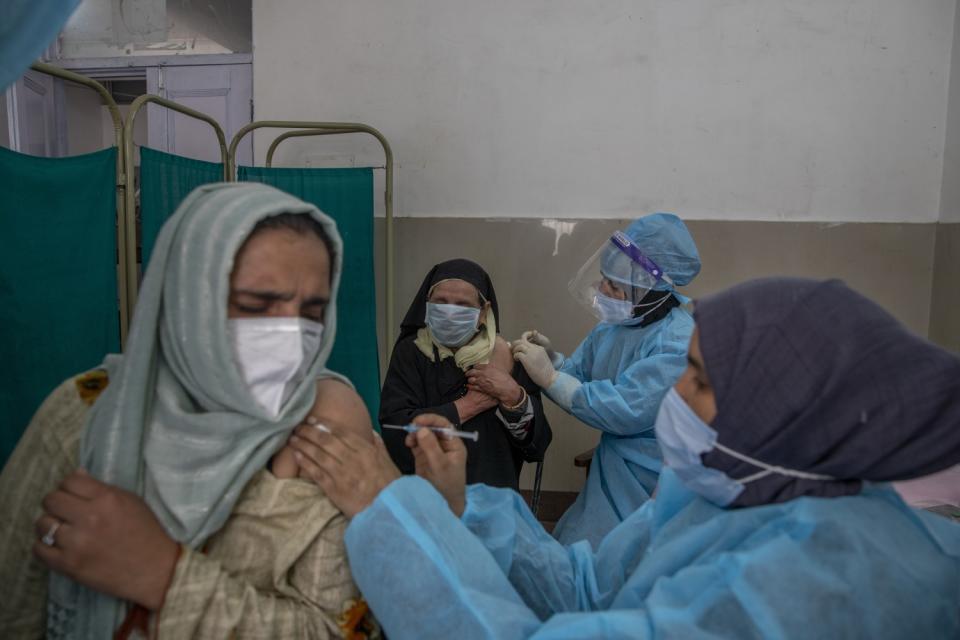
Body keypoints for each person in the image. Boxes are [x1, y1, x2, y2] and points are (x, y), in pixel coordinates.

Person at [289, 277, 960, 639]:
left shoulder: (819, 586)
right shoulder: (718, 494)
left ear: (780, 410)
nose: (674, 391)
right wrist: (461, 510)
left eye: (696, 376)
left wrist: (397, 514)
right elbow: (585, 588)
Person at [0, 183, 379, 639]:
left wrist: (165, 575)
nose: (290, 334)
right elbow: (12, 605)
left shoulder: (326, 434)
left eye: (312, 313)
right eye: (256, 305)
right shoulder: (84, 416)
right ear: (185, 301)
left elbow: (338, 630)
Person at [512, 213, 701, 546]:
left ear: (651, 287)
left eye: (614, 285)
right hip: (610, 473)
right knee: (574, 551)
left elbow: (625, 409)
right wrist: (554, 361)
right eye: (604, 278)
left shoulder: (676, 343)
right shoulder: (617, 326)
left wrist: (550, 377)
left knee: (618, 564)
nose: (603, 290)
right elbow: (581, 376)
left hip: (650, 477)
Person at [379, 259, 551, 490]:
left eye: (462, 305)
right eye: (441, 302)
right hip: (426, 500)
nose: (450, 313)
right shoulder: (411, 352)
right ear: (427, 305)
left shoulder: (507, 358)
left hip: (494, 501)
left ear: (483, 312)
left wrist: (514, 398)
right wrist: (467, 406)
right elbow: (394, 432)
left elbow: (537, 446)